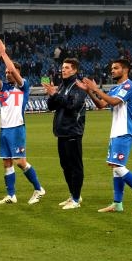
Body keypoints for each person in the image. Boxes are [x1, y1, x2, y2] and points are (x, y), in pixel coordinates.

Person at [77, 59, 132, 214]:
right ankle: (117, 204)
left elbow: (113, 102)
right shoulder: (116, 88)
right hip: (116, 132)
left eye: (115, 68)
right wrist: (88, 91)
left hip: (124, 131)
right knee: (114, 167)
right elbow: (101, 105)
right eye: (111, 68)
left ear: (125, 70)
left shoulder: (128, 86)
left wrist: (96, 88)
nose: (112, 70)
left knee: (118, 166)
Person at [0, 40, 45, 205]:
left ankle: (39, 188)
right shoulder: (4, 88)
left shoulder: (23, 85)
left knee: (20, 161)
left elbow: (12, 68)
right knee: (6, 162)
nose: (7, 73)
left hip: (17, 128)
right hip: (4, 129)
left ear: (18, 73)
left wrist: (4, 53)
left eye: (10, 72)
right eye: (5, 72)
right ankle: (11, 195)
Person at [42, 58, 87, 210]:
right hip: (61, 132)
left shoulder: (79, 86)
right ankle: (73, 194)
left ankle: (76, 199)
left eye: (67, 67)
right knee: (65, 166)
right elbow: (51, 106)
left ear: (74, 70)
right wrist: (51, 94)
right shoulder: (63, 85)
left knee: (75, 167)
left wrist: (56, 94)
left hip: (73, 131)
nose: (63, 70)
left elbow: (72, 105)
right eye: (62, 67)